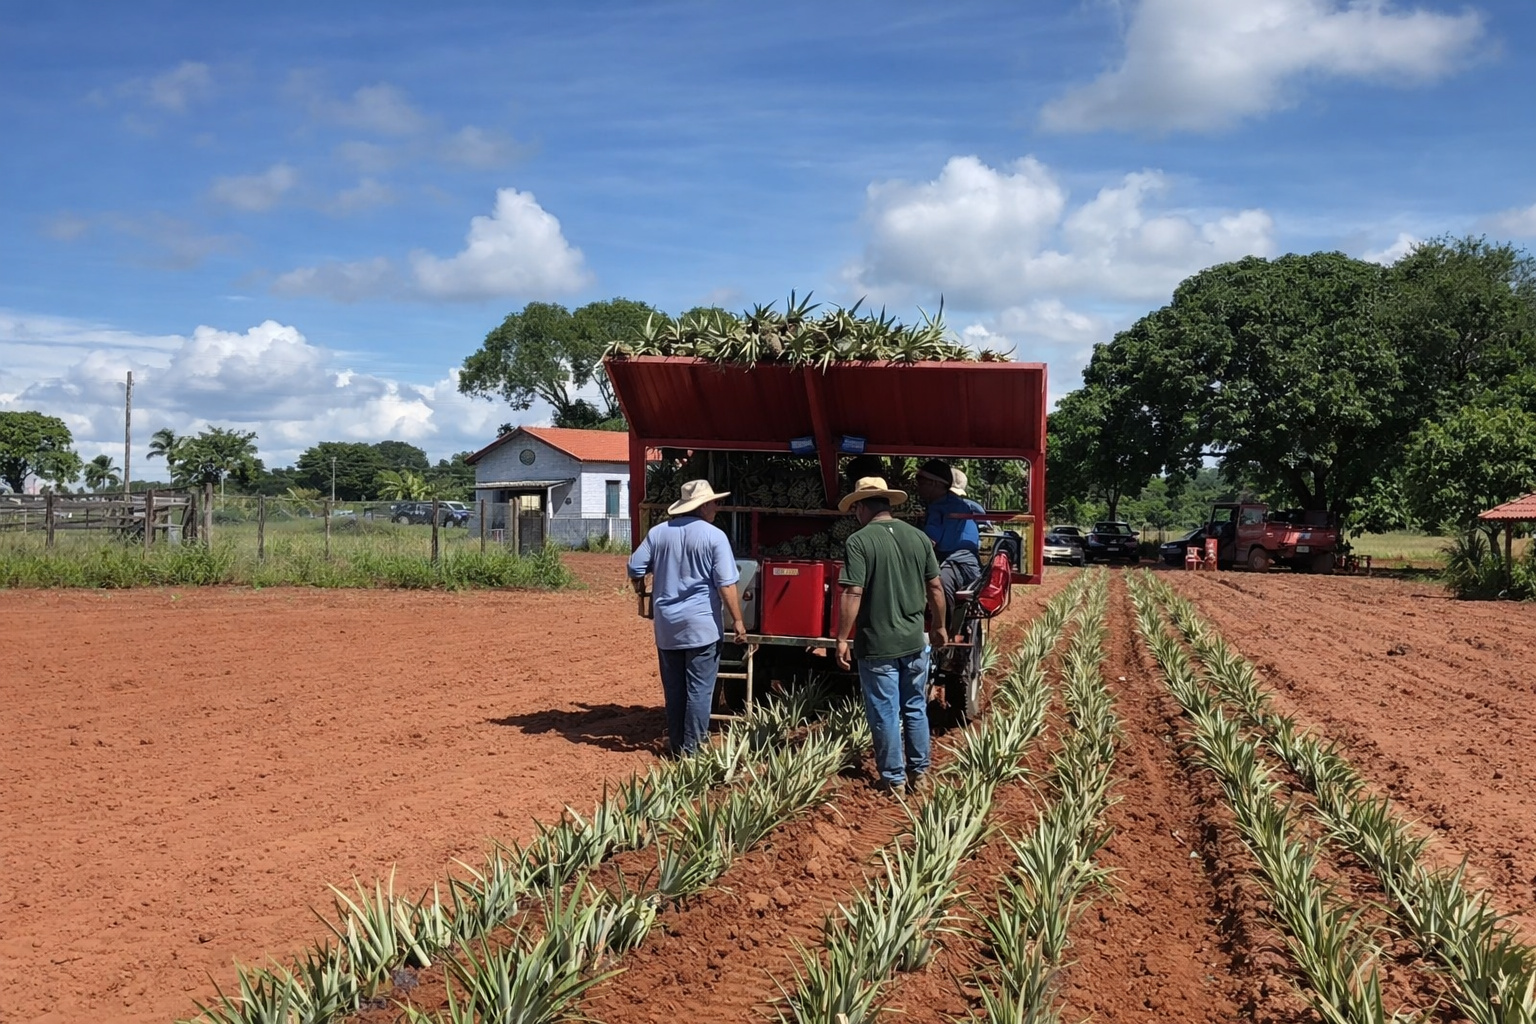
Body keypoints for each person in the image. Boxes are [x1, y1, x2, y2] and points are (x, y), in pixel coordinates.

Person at [833, 476, 946, 795]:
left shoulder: (859, 541)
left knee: (884, 709)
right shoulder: (919, 538)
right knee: (914, 706)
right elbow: (935, 587)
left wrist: (842, 637)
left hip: (877, 644)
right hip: (914, 641)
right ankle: (920, 774)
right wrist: (938, 626)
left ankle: (894, 778)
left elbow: (853, 593)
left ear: (861, 508)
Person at [628, 479, 748, 757]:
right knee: (699, 690)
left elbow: (635, 567)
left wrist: (641, 587)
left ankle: (677, 745)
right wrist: (738, 621)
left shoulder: (658, 534)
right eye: (715, 503)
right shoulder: (714, 536)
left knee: (675, 690)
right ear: (704, 505)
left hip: (667, 627)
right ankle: (692, 752)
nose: (717, 507)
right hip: (702, 627)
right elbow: (726, 585)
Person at [915, 460, 982, 612]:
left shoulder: (939, 508)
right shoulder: (959, 503)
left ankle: (944, 630)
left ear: (934, 484)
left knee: (938, 585)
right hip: (968, 562)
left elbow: (928, 542)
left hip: (958, 563)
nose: (918, 487)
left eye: (920, 481)